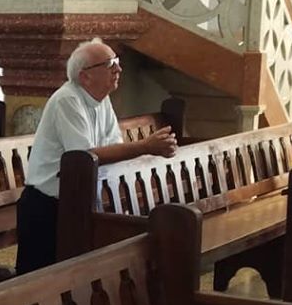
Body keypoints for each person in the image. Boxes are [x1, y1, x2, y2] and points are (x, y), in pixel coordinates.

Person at [15, 38, 177, 275]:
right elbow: (83, 156)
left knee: (75, 276)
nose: (118, 69)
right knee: (37, 280)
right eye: (110, 63)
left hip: (79, 198)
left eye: (117, 62)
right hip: (48, 204)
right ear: (85, 76)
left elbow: (113, 146)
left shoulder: (101, 100)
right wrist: (145, 146)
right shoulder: (67, 100)